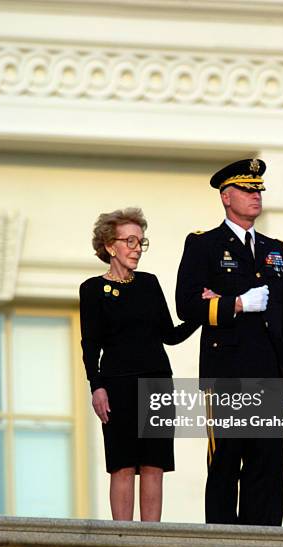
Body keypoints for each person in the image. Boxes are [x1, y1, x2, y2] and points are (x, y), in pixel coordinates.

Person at [176, 158, 283, 526]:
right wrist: (235, 304)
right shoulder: (203, 244)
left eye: (258, 190)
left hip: (268, 368)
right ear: (226, 196)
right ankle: (220, 544)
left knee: (266, 462)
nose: (256, 197)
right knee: (225, 459)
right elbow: (187, 305)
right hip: (227, 370)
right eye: (248, 190)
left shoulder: (275, 247)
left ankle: (264, 546)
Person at [80, 207, 199, 522]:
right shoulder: (92, 289)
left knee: (153, 464)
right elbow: (90, 343)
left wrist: (204, 312)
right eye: (130, 241)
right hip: (117, 384)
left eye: (141, 242)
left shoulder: (149, 283)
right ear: (110, 246)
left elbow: (169, 335)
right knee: (121, 465)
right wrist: (97, 386)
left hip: (157, 382)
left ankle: (152, 539)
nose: (136, 249)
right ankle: (122, 540)